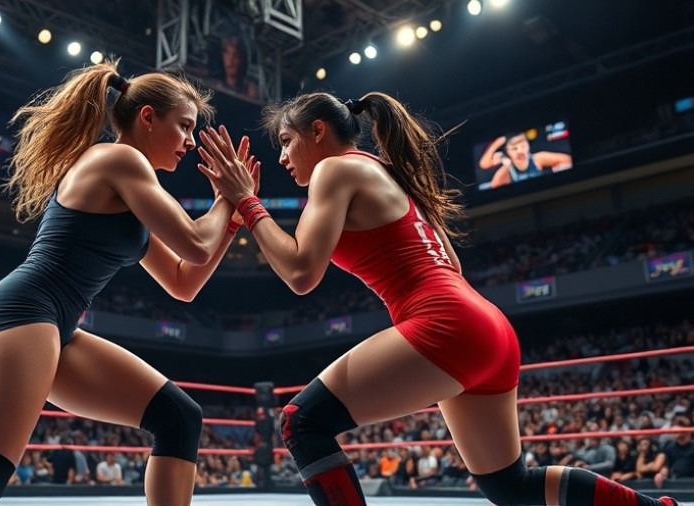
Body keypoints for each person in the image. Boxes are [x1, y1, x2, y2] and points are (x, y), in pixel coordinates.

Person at [197, 91, 680, 505]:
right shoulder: (388, 173)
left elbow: (301, 273)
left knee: (301, 422)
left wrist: (247, 201)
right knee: (511, 487)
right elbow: (450, 262)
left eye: (286, 141)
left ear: (318, 131)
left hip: (446, 322)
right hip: (485, 325)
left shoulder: (334, 171)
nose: (282, 158)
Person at [0, 60, 255, 506]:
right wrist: (229, 196)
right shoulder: (119, 159)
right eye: (185, 126)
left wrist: (230, 221)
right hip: (22, 313)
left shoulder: (131, 189)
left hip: (53, 324)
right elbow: (195, 243)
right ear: (148, 118)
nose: (191, 142)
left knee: (178, 417)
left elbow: (183, 281)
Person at [478, 131, 572, 188]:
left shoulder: (538, 158)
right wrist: (496, 143)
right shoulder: (505, 172)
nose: (520, 151)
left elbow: (567, 160)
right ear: (508, 153)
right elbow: (484, 165)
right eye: (514, 149)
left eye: (523, 147)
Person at [207, 36, 259, 101]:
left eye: (235, 55)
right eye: (227, 54)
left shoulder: (250, 91)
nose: (230, 61)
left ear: (242, 60)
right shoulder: (213, 85)